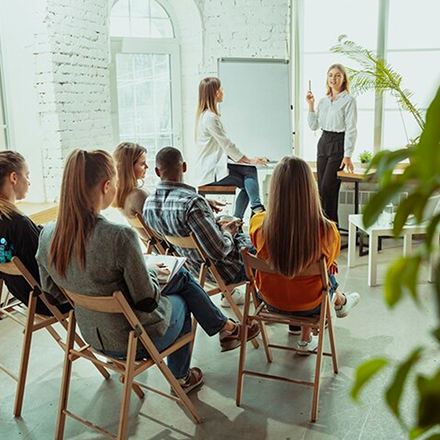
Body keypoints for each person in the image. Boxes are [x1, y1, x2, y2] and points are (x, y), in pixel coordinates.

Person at [36, 149, 259, 393]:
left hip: (92, 337)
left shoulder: (47, 234)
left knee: (181, 278)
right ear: (106, 185)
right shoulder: (119, 236)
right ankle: (184, 375)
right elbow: (147, 299)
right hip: (134, 341)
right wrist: (149, 272)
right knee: (182, 295)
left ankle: (227, 330)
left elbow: (52, 295)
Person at [249, 156, 360, 355]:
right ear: (310, 188)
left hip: (270, 302)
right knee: (323, 276)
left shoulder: (258, 224)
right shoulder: (327, 230)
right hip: (311, 307)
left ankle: (335, 305)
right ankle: (313, 330)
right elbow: (327, 265)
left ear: (275, 189)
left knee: (296, 270)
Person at [143, 147, 253, 307]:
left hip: (193, 270)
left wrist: (212, 220)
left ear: (157, 172)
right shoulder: (192, 202)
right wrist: (228, 232)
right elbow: (219, 250)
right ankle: (277, 304)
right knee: (266, 248)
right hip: (226, 271)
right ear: (184, 167)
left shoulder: (149, 204)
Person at [0, 151, 70, 316]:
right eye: (27, 175)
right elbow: (46, 268)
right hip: (51, 302)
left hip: (27, 298)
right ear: (14, 178)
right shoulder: (18, 224)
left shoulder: (9, 221)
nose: (29, 182)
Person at [196, 77, 267, 220]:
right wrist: (249, 160)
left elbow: (223, 149)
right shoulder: (210, 118)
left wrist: (248, 160)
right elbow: (227, 144)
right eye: (221, 89)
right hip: (211, 173)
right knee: (250, 178)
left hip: (215, 168)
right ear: (215, 93)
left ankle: (240, 217)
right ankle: (253, 210)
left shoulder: (207, 116)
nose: (223, 91)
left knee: (250, 177)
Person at [307, 64, 358, 225]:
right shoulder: (323, 101)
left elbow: (351, 128)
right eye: (330, 75)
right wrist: (310, 105)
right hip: (323, 142)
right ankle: (323, 228)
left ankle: (331, 227)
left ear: (343, 79)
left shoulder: (349, 101)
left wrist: (348, 154)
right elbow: (314, 126)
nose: (333, 79)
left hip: (338, 143)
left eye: (337, 75)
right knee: (321, 189)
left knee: (329, 186)